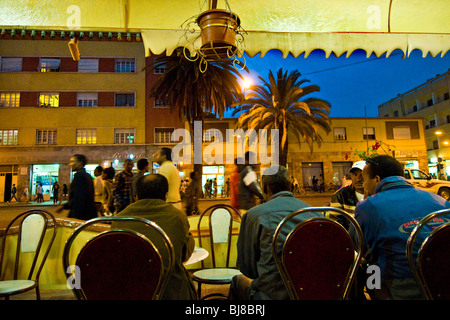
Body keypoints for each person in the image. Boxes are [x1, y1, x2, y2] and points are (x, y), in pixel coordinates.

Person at [354, 155, 450, 300]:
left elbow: (356, 245)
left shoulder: (369, 206)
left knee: (368, 269)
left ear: (377, 179)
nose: (364, 184)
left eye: (365, 179)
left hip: (399, 284)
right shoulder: (438, 200)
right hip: (443, 279)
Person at [229, 165, 322, 300]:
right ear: (291, 187)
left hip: (270, 295)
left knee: (237, 282)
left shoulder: (254, 216)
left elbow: (247, 268)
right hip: (309, 293)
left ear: (265, 188)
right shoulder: (315, 213)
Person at [114, 174, 196, 300]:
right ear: (165, 196)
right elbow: (184, 255)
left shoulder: (120, 219)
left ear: (136, 196)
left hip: (131, 290)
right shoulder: (176, 217)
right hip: (169, 291)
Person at [56, 154, 97, 220]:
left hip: (81, 214)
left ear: (80, 163)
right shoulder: (87, 175)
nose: (70, 164)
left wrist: (73, 215)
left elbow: (78, 197)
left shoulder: (79, 176)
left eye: (72, 161)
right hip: (89, 213)